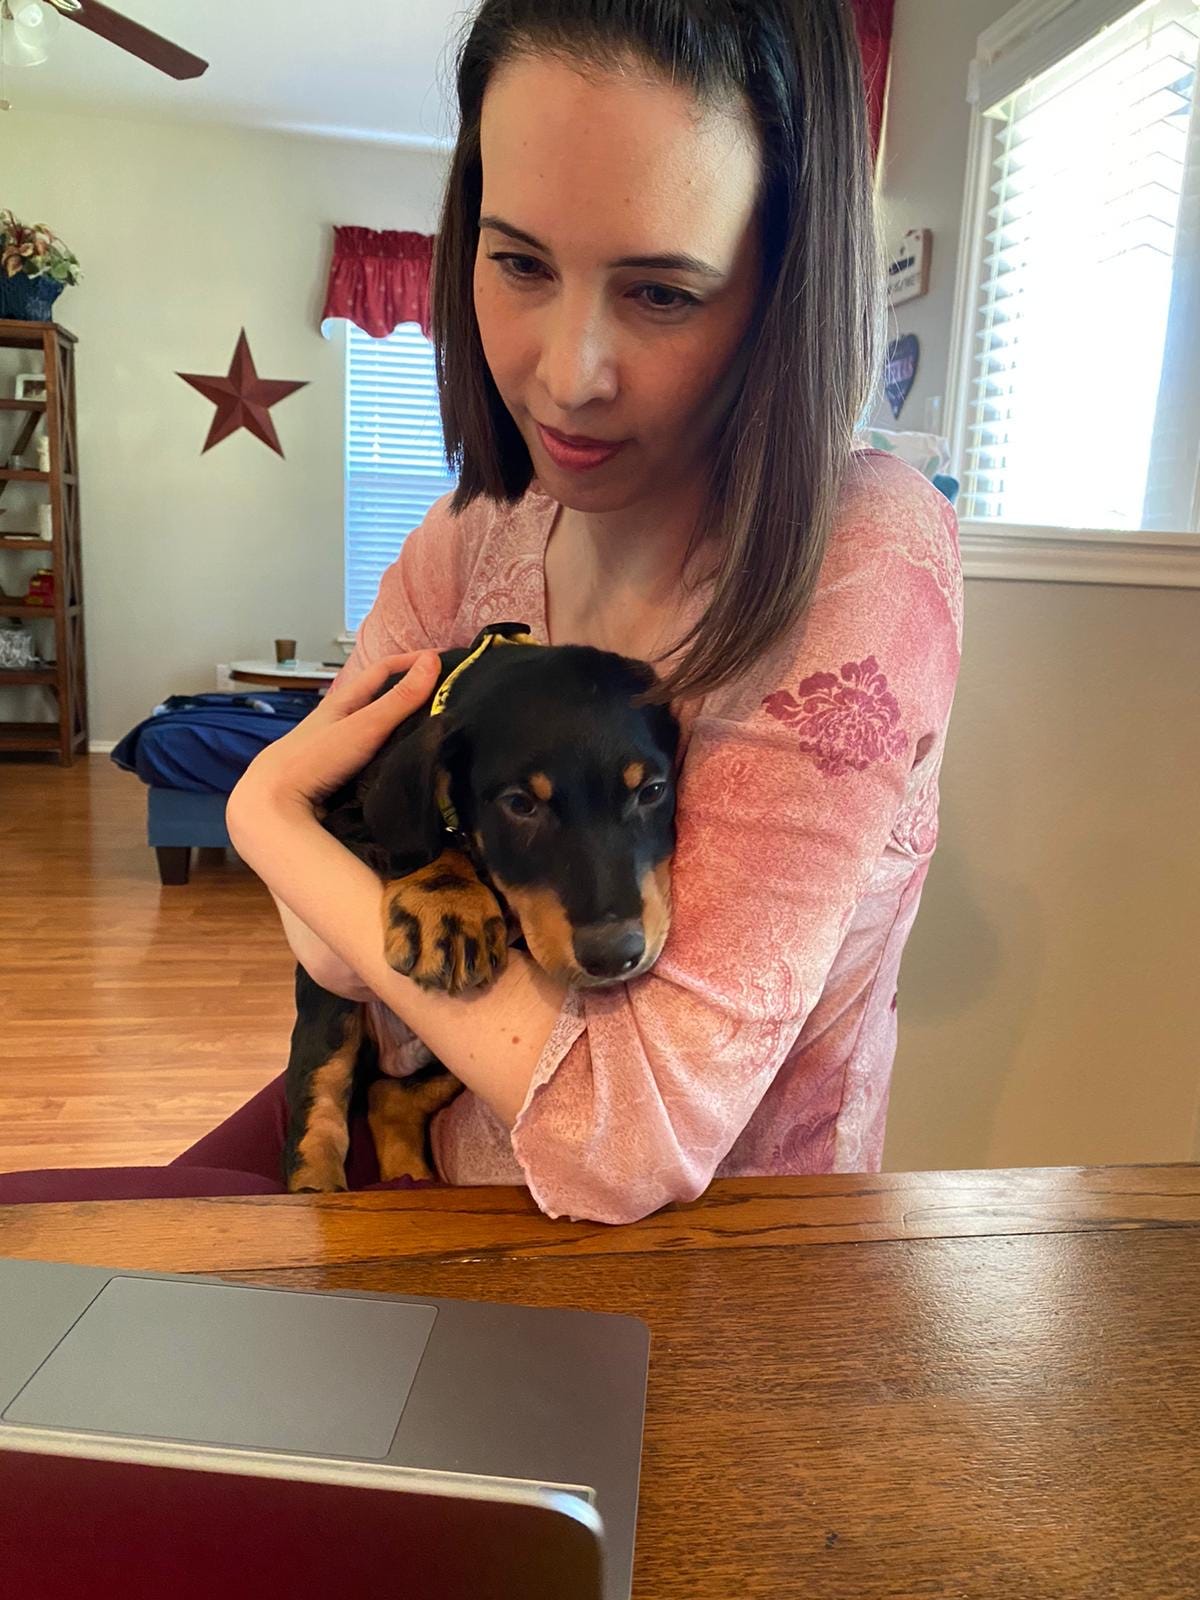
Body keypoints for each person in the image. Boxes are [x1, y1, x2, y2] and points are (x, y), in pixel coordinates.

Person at [1, 0, 962, 1220]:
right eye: (519, 263)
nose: (565, 376)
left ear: (784, 286)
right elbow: (324, 945)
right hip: (422, 1144)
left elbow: (628, 1143)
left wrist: (267, 814)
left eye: (661, 292)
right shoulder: (472, 536)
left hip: (704, 1259)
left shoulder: (860, 553)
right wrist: (303, 849)